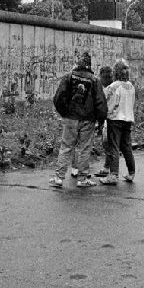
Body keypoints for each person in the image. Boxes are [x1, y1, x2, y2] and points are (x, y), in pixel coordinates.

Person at [49, 52, 107, 188]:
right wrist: (101, 120)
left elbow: (58, 97)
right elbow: (100, 102)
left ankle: (58, 177)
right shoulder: (94, 80)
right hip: (88, 119)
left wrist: (64, 112)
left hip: (70, 118)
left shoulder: (69, 77)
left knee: (66, 147)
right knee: (84, 148)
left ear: (78, 63)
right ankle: (82, 178)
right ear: (89, 65)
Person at [99, 59, 137, 185]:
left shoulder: (114, 86)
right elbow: (132, 103)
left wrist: (104, 115)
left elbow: (107, 102)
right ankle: (131, 172)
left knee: (113, 146)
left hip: (115, 119)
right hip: (128, 119)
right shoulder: (131, 86)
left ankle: (113, 174)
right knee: (127, 147)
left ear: (116, 71)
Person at [93, 65, 115, 178]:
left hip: (109, 121)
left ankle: (110, 170)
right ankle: (107, 167)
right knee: (110, 145)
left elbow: (102, 108)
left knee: (108, 145)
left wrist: (99, 123)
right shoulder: (116, 88)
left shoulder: (106, 90)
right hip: (115, 121)